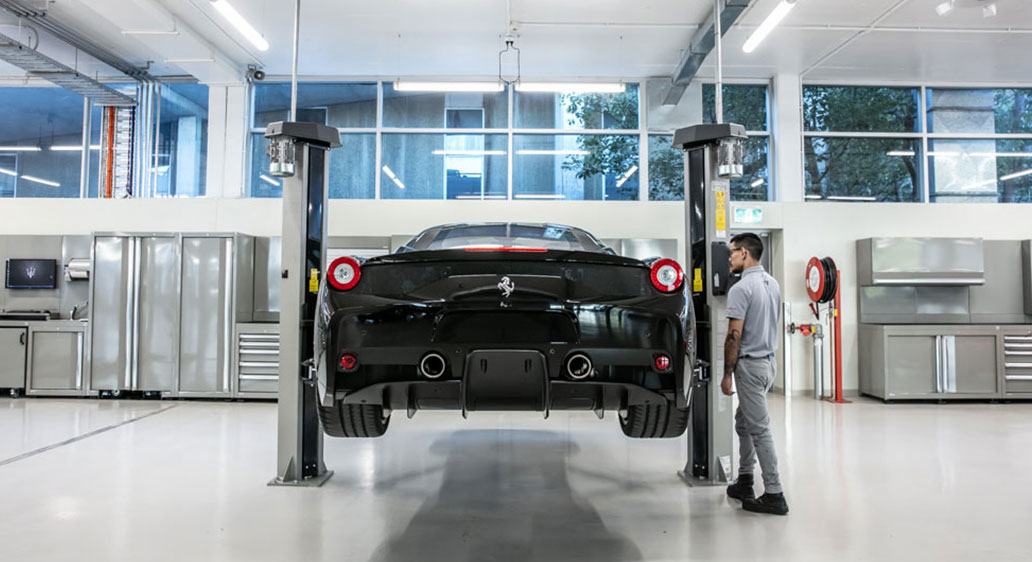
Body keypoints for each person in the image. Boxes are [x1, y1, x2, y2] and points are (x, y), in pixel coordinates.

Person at [721, 232, 788, 516]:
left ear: (745, 254)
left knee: (759, 429)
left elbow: (734, 336)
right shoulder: (772, 283)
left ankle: (774, 494)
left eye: (732, 253)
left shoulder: (740, 288)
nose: (729, 259)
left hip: (749, 365)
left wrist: (727, 374)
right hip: (769, 363)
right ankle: (745, 480)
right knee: (744, 423)